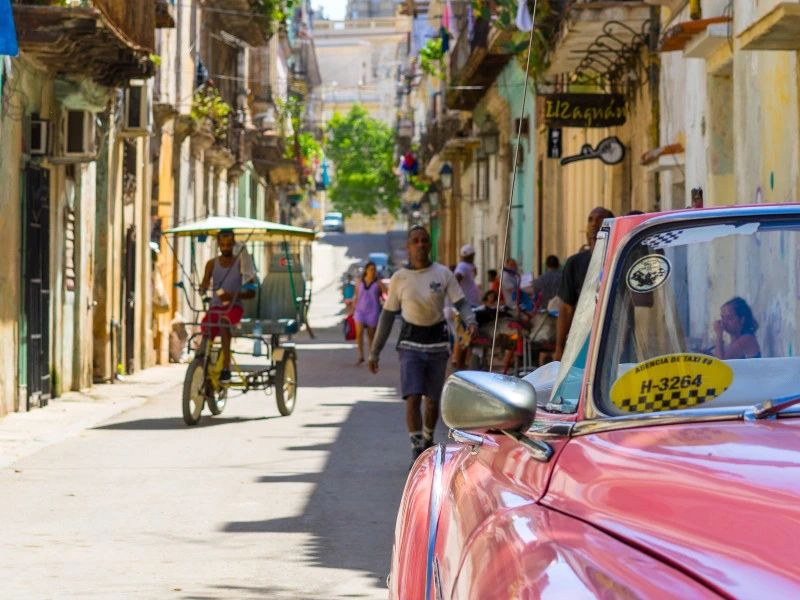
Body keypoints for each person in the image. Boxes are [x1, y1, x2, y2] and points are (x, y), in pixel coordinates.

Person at [368, 225, 478, 465]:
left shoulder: (443, 274)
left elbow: (461, 302)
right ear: (408, 247)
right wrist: (374, 352)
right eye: (415, 241)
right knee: (413, 396)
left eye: (424, 240)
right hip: (410, 344)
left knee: (432, 400)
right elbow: (387, 316)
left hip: (437, 344)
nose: (420, 245)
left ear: (429, 245)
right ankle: (416, 447)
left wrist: (470, 320)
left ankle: (428, 438)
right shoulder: (399, 278)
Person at [554, 206, 614, 361]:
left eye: (600, 218)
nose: (594, 223)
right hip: (583, 340)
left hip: (614, 338)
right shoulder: (574, 263)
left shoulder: (618, 259)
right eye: (590, 219)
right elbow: (566, 308)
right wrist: (559, 348)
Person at [198, 230, 256, 381]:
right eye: (222, 245)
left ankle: (226, 366)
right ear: (218, 244)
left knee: (224, 322)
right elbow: (205, 283)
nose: (225, 248)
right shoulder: (211, 264)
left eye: (228, 245)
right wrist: (202, 289)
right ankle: (202, 360)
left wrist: (232, 295)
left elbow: (252, 293)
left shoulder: (241, 263)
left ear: (233, 244)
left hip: (234, 307)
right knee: (206, 325)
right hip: (216, 307)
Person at [351, 261, 388, 365]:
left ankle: (371, 356)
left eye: (374, 270)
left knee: (371, 335)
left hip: (373, 311)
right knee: (359, 333)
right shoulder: (360, 281)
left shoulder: (378, 282)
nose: (373, 271)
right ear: (366, 270)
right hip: (360, 310)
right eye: (371, 269)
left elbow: (386, 293)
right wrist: (352, 309)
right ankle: (361, 356)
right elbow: (356, 295)